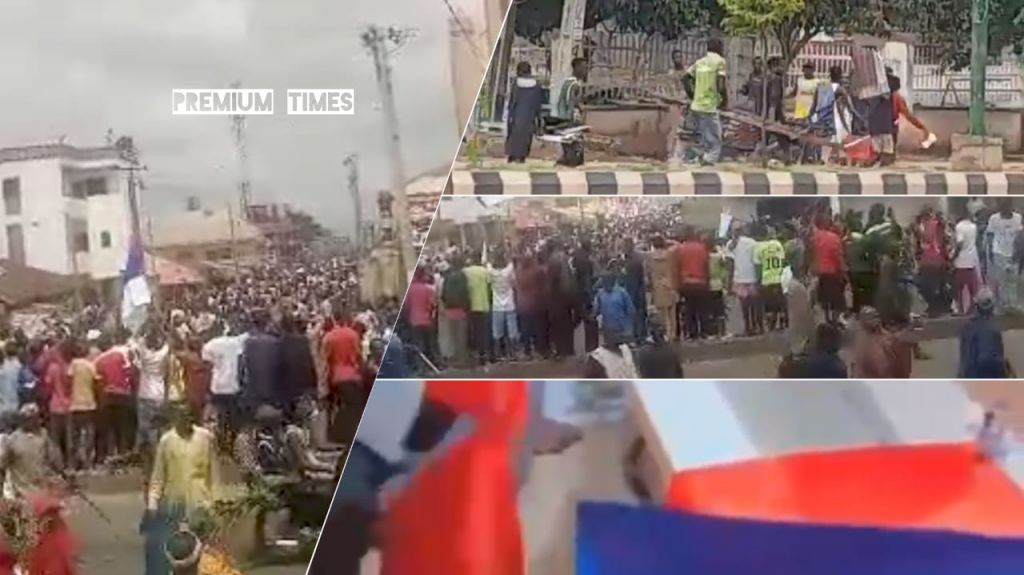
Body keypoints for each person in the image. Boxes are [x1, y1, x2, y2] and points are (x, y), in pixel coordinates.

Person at [143, 405, 216, 575]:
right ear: (176, 418)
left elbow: (213, 474)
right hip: (174, 507)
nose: (187, 420)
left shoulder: (205, 438)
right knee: (179, 557)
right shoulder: (167, 441)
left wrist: (215, 505)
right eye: (183, 416)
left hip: (201, 505)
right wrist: (152, 505)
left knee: (201, 557)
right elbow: (158, 477)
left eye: (190, 416)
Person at [0, 404, 63, 500]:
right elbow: (2, 467)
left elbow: (55, 461)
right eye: (29, 419)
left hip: (43, 490)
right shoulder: (13, 440)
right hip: (22, 494)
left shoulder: (44, 435)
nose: (35, 421)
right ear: (23, 420)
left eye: (36, 418)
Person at [681, 37, 728, 165]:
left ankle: (692, 159)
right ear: (719, 48)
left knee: (702, 136)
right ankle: (708, 162)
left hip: (696, 105)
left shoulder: (700, 62)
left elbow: (685, 77)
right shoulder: (720, 62)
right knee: (715, 139)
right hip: (709, 106)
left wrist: (692, 94)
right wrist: (724, 101)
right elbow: (721, 85)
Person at [201, 321, 245, 452]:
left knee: (220, 416)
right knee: (232, 417)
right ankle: (231, 444)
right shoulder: (237, 342)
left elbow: (206, 363)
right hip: (233, 385)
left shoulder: (210, 345)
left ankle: (221, 444)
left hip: (218, 386)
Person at [94, 334, 136, 460]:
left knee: (110, 428)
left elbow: (98, 383)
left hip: (107, 398)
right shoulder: (120, 355)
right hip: (123, 395)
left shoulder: (98, 361)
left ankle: (111, 456)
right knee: (122, 427)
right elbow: (130, 373)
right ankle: (122, 453)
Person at [958, 289, 1012, 378]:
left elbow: (964, 361)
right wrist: (1004, 367)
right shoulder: (992, 329)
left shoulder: (967, 328)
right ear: (992, 307)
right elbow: (987, 360)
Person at [986, 199, 1023, 315]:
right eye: (1003, 205)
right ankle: (1003, 305)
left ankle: (1013, 304)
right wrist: (990, 252)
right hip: (999, 252)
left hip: (1013, 252)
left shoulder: (1018, 218)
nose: (1006, 208)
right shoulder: (994, 218)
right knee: (1001, 280)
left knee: (1013, 279)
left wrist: (1019, 253)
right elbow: (990, 235)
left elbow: (1020, 236)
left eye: (1008, 205)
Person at [552, 57, 589, 166]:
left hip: (568, 115)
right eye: (583, 68)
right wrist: (578, 110)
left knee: (572, 139)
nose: (585, 71)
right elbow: (570, 101)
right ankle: (570, 159)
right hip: (570, 116)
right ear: (576, 68)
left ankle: (570, 159)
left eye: (586, 68)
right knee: (573, 138)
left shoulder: (570, 83)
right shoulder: (573, 84)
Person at [505, 61, 544, 163]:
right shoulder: (537, 84)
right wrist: (538, 118)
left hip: (517, 114)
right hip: (529, 115)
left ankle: (512, 155)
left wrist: (510, 113)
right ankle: (522, 156)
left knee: (514, 135)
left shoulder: (516, 83)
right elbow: (538, 103)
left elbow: (513, 101)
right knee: (526, 136)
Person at [888, 70, 936, 151]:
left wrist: (922, 128)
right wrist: (923, 128)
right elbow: (908, 116)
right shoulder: (897, 98)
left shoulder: (894, 98)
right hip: (888, 129)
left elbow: (908, 116)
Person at [675, 228, 710, 340]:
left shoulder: (681, 249)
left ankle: (692, 333)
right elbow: (706, 265)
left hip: (686, 283)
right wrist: (707, 281)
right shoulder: (702, 247)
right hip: (700, 282)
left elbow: (678, 266)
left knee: (690, 310)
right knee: (702, 309)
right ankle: (704, 332)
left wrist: (679, 284)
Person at [728, 224, 759, 336]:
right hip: (752, 276)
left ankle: (747, 327)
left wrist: (729, 281)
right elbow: (756, 261)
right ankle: (755, 326)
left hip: (739, 277)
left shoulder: (731, 244)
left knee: (744, 306)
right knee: (754, 305)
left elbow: (730, 264)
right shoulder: (752, 242)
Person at [647, 235, 679, 342]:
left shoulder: (650, 256)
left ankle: (664, 334)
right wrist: (668, 240)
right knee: (672, 313)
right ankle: (673, 334)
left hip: (658, 286)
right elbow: (678, 245)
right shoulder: (670, 254)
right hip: (670, 285)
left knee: (662, 314)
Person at [463, 252, 493, 364]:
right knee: (485, 332)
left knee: (476, 332)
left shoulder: (466, 272)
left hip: (472, 306)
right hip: (484, 304)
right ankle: (487, 355)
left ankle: (479, 355)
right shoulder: (484, 271)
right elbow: (490, 285)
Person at [592, 272, 636, 346]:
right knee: (612, 354)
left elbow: (631, 310)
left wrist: (629, 329)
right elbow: (596, 311)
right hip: (609, 331)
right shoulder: (600, 294)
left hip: (623, 331)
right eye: (604, 282)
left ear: (613, 281)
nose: (606, 284)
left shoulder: (622, 293)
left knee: (625, 353)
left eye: (607, 281)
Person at [489, 253, 519, 361]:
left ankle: (499, 354)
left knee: (497, 332)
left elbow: (487, 266)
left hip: (497, 306)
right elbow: (514, 279)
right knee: (512, 330)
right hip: (509, 304)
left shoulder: (491, 272)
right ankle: (513, 353)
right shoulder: (509, 271)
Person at [953, 207, 982, 315]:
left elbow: (960, 243)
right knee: (972, 287)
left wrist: (954, 255)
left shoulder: (959, 227)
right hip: (972, 258)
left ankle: (961, 309)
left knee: (959, 288)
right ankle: (972, 308)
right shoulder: (974, 226)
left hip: (961, 260)